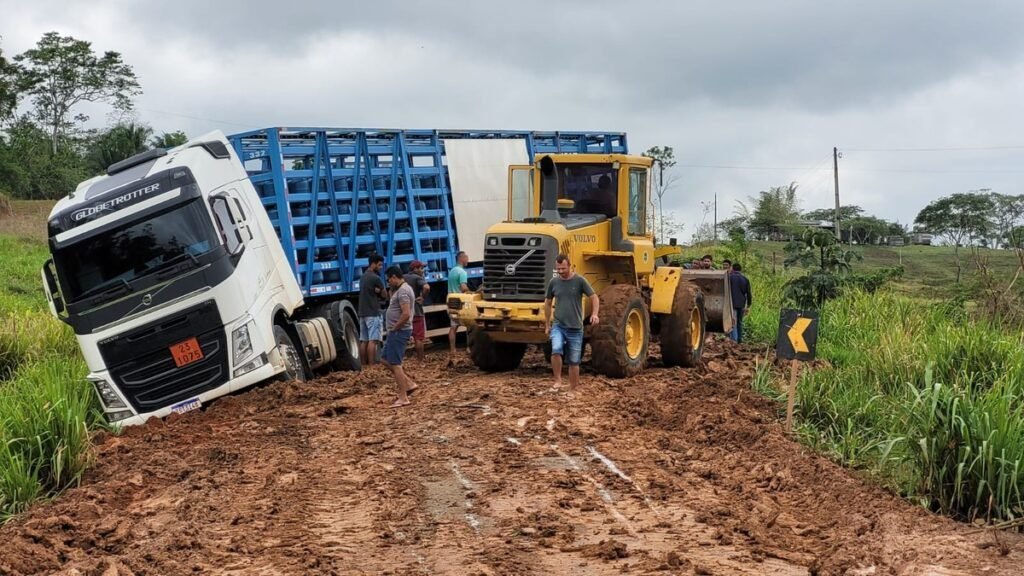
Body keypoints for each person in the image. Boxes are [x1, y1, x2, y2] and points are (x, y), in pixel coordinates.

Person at [544, 254, 599, 395]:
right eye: (558, 269)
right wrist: (547, 324)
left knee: (574, 360)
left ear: (569, 265)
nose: (561, 271)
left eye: (563, 268)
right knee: (556, 349)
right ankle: (557, 380)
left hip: (575, 328)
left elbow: (594, 297)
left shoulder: (579, 281)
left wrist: (594, 314)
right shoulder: (554, 282)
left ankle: (573, 389)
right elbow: (548, 303)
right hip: (558, 325)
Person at [383, 266, 417, 408]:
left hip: (399, 331)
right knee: (384, 359)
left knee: (396, 365)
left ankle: (403, 397)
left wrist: (395, 328)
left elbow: (406, 314)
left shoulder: (403, 291)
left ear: (394, 277)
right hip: (396, 331)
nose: (388, 283)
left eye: (388, 280)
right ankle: (408, 383)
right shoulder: (401, 290)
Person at [358, 254, 387, 365]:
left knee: (364, 340)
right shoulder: (376, 278)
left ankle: (364, 365)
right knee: (373, 340)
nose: (380, 267)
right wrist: (379, 292)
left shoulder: (363, 276)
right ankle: (372, 365)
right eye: (379, 265)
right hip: (373, 312)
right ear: (373, 264)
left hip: (362, 312)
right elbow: (385, 295)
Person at [403, 260, 430, 361]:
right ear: (415, 269)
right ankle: (420, 361)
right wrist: (423, 297)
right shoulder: (418, 278)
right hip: (417, 312)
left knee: (402, 338)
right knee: (418, 338)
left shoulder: (403, 277)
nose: (422, 271)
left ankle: (399, 361)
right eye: (421, 268)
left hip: (404, 312)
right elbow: (426, 288)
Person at [447, 251, 471, 367]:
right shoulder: (462, 272)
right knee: (470, 325)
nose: (468, 260)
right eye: (467, 258)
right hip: (460, 302)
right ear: (462, 258)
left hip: (451, 301)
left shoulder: (452, 271)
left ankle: (453, 351)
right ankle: (469, 348)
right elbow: (463, 287)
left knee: (453, 328)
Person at [729, 262, 752, 344]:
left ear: (732, 268)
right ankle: (740, 340)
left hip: (732, 303)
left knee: (733, 322)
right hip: (742, 304)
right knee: (739, 322)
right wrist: (749, 305)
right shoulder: (745, 279)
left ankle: (734, 341)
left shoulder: (729, 278)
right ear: (740, 270)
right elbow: (748, 293)